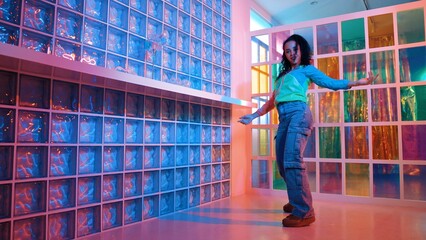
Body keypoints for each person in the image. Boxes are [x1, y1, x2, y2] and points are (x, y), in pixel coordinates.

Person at [238, 34, 378, 227]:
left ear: (301, 50)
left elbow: (330, 83)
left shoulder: (307, 70)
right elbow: (272, 102)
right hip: (284, 117)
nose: (292, 54)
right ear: (285, 55)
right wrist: (252, 116)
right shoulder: (280, 78)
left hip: (298, 113)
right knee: (282, 163)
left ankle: (304, 212)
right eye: (288, 51)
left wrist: (358, 82)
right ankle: (297, 199)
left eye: (295, 49)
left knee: (292, 160)